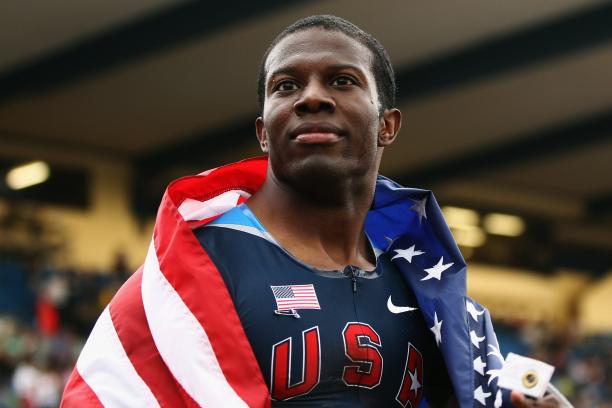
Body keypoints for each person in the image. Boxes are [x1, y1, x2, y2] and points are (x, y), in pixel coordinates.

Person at [61, 15, 561, 407]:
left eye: (342, 81)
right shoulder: (186, 276)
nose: (312, 97)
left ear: (388, 125)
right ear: (263, 131)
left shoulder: (432, 295)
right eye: (286, 86)